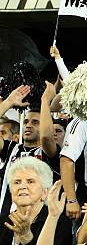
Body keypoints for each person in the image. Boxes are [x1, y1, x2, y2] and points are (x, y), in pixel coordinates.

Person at [0, 157, 71, 245]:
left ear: (45, 192)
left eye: (30, 181)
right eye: (17, 182)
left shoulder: (58, 223)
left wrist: (27, 240)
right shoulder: (3, 223)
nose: (22, 186)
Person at [0, 83, 60, 215]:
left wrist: (45, 102)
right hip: (6, 219)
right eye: (26, 122)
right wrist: (8, 102)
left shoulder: (48, 152)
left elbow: (46, 137)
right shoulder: (11, 148)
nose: (28, 125)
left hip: (38, 221)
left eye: (35, 122)